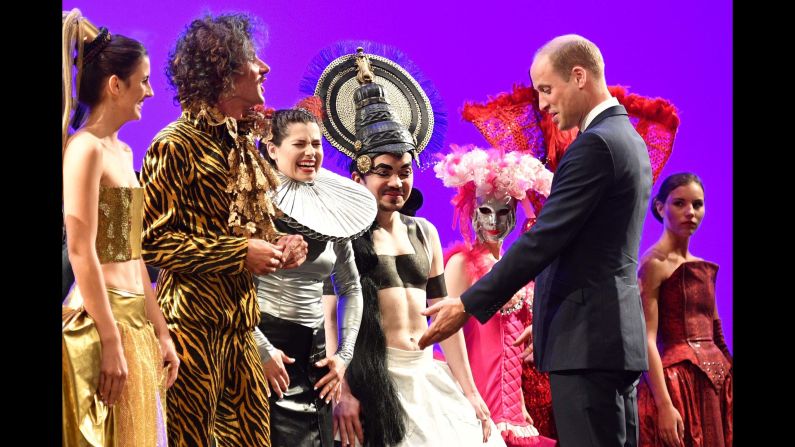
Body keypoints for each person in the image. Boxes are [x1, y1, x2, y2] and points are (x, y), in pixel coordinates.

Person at [420, 34, 653, 447]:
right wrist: (544, 316)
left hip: (588, 345)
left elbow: (547, 238)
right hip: (610, 337)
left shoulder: (595, 145)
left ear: (578, 76)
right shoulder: (627, 139)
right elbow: (587, 248)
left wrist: (468, 303)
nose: (542, 104)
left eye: (547, 89)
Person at [308, 45, 505, 447]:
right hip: (374, 379)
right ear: (360, 174)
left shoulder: (424, 232)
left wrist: (469, 391)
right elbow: (328, 320)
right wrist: (342, 391)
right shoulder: (342, 236)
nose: (396, 183)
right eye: (384, 172)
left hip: (425, 374)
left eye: (404, 172)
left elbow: (444, 322)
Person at [139, 13, 308, 446]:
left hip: (239, 331)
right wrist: (238, 254)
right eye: (253, 59)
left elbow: (243, 228)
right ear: (226, 73)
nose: (265, 68)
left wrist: (279, 246)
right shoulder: (174, 144)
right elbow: (152, 243)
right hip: (190, 334)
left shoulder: (238, 139)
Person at [61, 9, 179, 446]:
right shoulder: (84, 149)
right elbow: (80, 249)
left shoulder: (123, 152)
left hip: (134, 326)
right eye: (143, 80)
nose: (149, 91)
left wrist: (161, 330)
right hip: (100, 322)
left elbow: (133, 253)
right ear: (116, 85)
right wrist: (110, 339)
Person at [253, 105, 374, 446]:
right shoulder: (255, 204)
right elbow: (231, 288)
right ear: (273, 149)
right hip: (268, 351)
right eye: (300, 144)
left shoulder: (332, 208)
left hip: (317, 358)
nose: (310, 152)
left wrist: (344, 357)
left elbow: (351, 286)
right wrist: (261, 349)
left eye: (316, 144)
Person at [437, 145, 557, 447]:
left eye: (503, 212)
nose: (494, 221)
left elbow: (511, 345)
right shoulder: (461, 263)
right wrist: (469, 394)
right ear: (473, 211)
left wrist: (520, 403)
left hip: (515, 414)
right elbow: (447, 332)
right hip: (477, 404)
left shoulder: (512, 268)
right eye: (486, 211)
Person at [636, 173, 732, 447]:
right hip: (677, 386)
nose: (690, 212)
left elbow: (717, 334)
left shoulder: (702, 267)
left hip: (716, 385)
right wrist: (664, 404)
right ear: (660, 207)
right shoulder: (653, 264)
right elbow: (647, 339)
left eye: (697, 204)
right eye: (679, 203)